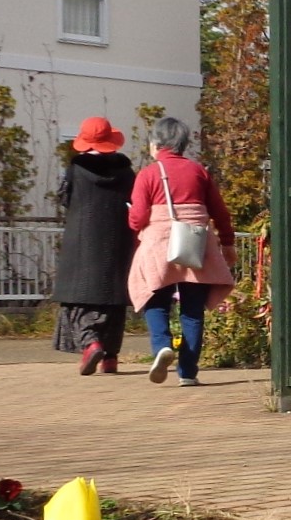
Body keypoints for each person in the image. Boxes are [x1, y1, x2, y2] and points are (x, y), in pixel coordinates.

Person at [126, 116, 236, 387]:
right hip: (195, 244)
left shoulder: (149, 174)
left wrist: (132, 219)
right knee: (192, 309)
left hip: (159, 243)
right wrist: (227, 243)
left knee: (154, 297)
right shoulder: (199, 172)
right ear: (183, 143)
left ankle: (162, 345)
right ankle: (188, 372)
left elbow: (138, 219)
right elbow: (220, 212)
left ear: (156, 143)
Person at [53, 118, 138, 374]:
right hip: (117, 239)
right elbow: (135, 199)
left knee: (81, 298)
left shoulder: (76, 169)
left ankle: (91, 344)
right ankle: (110, 358)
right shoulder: (125, 170)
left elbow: (64, 198)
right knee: (112, 298)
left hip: (83, 240)